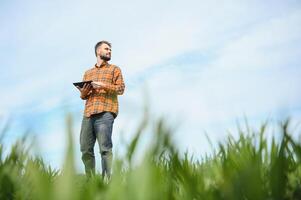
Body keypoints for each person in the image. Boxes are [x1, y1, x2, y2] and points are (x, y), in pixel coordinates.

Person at [76, 40, 125, 179]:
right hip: (88, 114)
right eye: (106, 49)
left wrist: (102, 84)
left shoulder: (114, 69)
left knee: (105, 149)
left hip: (105, 112)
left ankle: (106, 182)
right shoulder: (87, 73)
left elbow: (120, 89)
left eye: (110, 49)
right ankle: (91, 182)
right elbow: (84, 96)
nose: (109, 51)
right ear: (98, 51)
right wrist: (83, 93)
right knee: (85, 149)